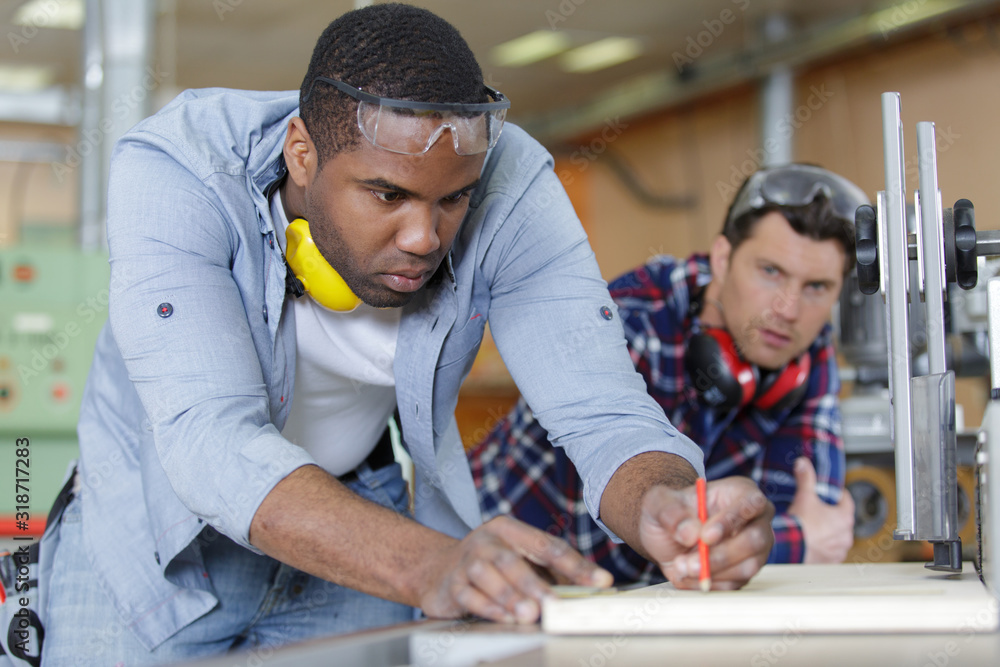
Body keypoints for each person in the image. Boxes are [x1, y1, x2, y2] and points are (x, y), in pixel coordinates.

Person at [40, 4, 773, 665]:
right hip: (149, 539)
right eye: (387, 194)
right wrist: (432, 564)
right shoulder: (182, 172)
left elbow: (603, 408)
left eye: (452, 198)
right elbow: (210, 439)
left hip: (358, 522)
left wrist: (669, 506)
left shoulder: (512, 186)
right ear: (302, 153)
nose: (424, 237)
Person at [471, 163, 863, 584]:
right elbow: (617, 549)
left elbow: (810, 510)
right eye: (771, 272)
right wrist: (797, 540)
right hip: (487, 557)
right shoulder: (632, 321)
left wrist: (768, 538)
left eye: (817, 287)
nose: (788, 309)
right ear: (723, 257)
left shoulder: (809, 348)